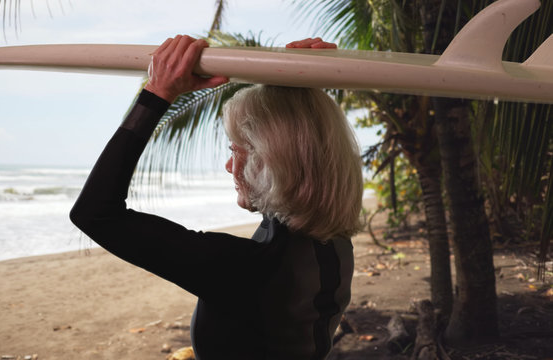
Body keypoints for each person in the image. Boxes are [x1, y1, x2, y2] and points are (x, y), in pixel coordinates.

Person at [70, 35, 363, 359]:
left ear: (273, 163)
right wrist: (296, 87)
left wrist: (158, 94)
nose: (228, 166)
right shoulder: (331, 243)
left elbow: (95, 213)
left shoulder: (244, 269)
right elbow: (308, 159)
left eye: (235, 150)